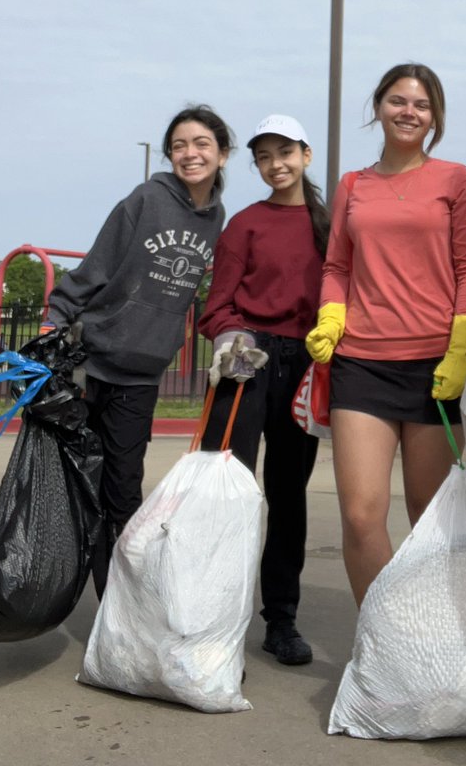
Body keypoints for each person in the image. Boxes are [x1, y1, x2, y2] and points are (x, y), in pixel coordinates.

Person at [305, 64, 466, 606]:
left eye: (422, 105)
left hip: (435, 366)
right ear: (379, 107)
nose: (409, 112)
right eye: (398, 101)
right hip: (361, 364)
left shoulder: (457, 180)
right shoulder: (353, 185)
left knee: (428, 517)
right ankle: (384, 637)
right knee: (361, 517)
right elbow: (337, 266)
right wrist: (331, 318)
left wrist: (462, 350)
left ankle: (433, 631)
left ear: (435, 118)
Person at [44, 104, 233, 596]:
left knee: (123, 492)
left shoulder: (217, 219)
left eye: (201, 144)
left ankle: (116, 606)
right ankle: (53, 589)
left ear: (223, 155)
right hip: (91, 364)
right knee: (73, 485)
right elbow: (97, 265)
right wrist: (55, 318)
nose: (189, 154)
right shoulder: (146, 199)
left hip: (141, 375)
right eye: (179, 146)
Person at [198, 114, 328, 667]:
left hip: (305, 365)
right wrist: (236, 339)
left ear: (306, 154)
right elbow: (216, 307)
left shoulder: (329, 224)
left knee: (288, 497)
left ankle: (281, 620)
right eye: (264, 157)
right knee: (226, 492)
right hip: (247, 364)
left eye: (285, 152)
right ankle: (210, 620)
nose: (276, 165)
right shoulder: (245, 225)